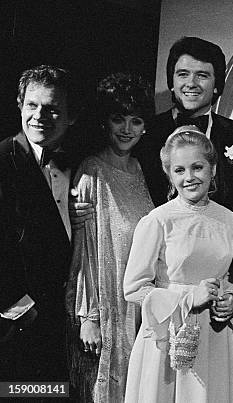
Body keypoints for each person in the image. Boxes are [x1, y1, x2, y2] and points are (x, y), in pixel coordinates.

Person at [123, 126, 233, 402]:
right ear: (169, 174)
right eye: (179, 170)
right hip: (167, 337)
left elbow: (226, 275)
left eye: (197, 167)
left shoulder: (229, 220)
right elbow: (133, 289)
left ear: (213, 169)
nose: (189, 177)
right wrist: (189, 298)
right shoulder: (157, 221)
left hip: (214, 335)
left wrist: (232, 299)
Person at [66, 72, 155, 402]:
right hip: (107, 310)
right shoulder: (91, 172)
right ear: (106, 121)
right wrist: (88, 317)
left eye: (135, 120)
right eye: (119, 119)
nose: (127, 129)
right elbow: (83, 251)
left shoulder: (143, 170)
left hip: (138, 307)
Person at [0, 65, 77, 382]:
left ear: (70, 116)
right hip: (16, 326)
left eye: (52, 108)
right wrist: (19, 308)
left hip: (63, 325)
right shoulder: (3, 160)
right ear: (20, 105)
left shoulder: (81, 162)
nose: (39, 116)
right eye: (32, 105)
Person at [135, 36, 233, 210]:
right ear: (172, 83)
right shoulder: (148, 132)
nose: (191, 83)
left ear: (216, 85)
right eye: (183, 74)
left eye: (202, 75)